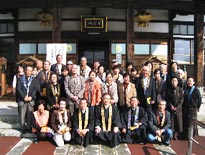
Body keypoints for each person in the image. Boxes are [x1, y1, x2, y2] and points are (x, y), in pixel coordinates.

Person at [16, 66, 39, 133]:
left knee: (30, 115)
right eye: (27, 70)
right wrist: (24, 97)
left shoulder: (34, 80)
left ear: (32, 72)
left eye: (30, 70)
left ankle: (29, 127)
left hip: (30, 100)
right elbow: (18, 89)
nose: (28, 72)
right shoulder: (20, 79)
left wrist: (31, 97)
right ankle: (22, 128)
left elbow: (35, 89)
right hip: (22, 100)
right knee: (22, 115)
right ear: (25, 71)